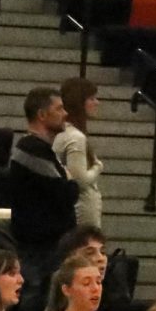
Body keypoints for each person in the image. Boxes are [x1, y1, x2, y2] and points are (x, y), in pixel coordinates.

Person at [9, 87, 78, 311]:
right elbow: (67, 192)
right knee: (34, 307)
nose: (65, 113)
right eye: (59, 108)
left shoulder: (43, 151)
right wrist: (69, 182)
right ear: (41, 115)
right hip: (38, 248)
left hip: (46, 246)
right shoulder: (31, 149)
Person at [53, 77, 103, 229]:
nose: (97, 103)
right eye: (92, 98)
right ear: (79, 102)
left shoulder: (61, 133)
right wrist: (98, 167)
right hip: (81, 211)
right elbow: (80, 181)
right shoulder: (75, 137)